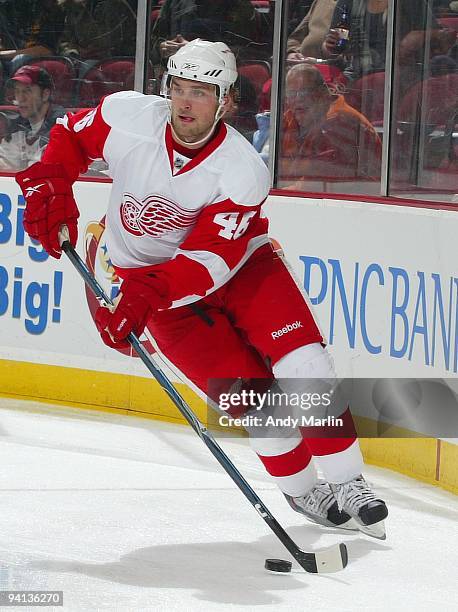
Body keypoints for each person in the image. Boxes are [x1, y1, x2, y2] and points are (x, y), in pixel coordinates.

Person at [15, 39, 388, 538]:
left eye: (202, 92)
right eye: (179, 89)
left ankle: (349, 481)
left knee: (304, 363)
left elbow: (212, 259)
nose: (186, 102)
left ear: (226, 101)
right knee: (256, 403)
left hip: (239, 272)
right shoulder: (127, 115)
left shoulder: (241, 168)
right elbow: (69, 136)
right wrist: (52, 183)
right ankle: (304, 490)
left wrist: (147, 292)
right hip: (159, 297)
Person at [278, 63, 382, 184]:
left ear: (323, 93)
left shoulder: (340, 124)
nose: (297, 99)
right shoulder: (290, 117)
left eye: (304, 92)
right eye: (291, 94)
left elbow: (316, 185)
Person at [0, 64, 65, 171]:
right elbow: (4, 163)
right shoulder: (17, 127)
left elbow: (40, 171)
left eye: (27, 90)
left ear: (45, 94)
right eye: (17, 91)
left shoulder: (61, 126)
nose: (20, 98)